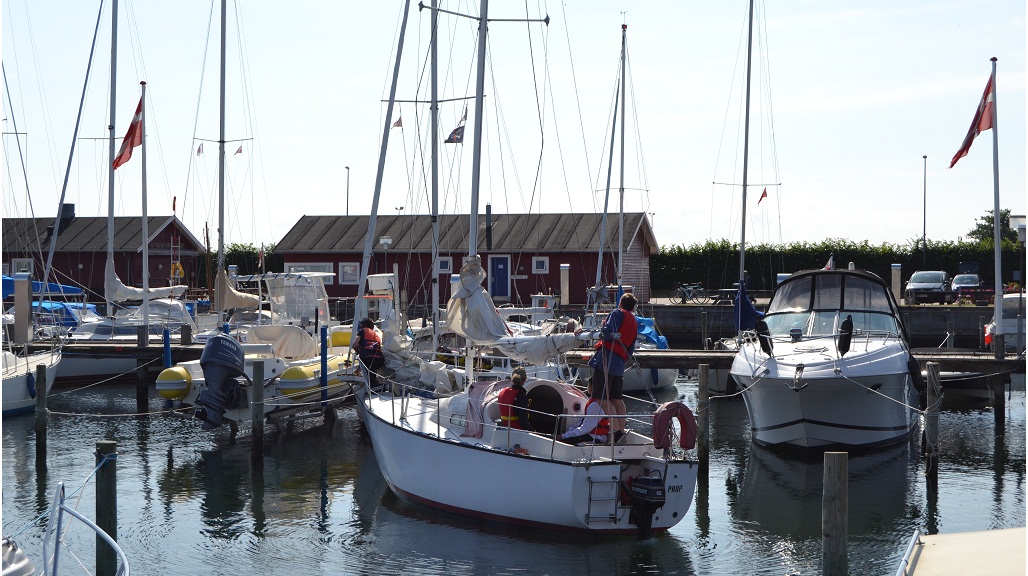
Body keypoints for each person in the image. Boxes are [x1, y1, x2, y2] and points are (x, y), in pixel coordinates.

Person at [585, 292, 637, 443]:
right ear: (633, 307)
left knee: (601, 398)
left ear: (620, 303)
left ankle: (616, 432)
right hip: (619, 365)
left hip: (606, 361)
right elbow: (631, 347)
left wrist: (601, 329)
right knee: (617, 399)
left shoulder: (616, 313)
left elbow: (607, 333)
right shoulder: (633, 320)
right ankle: (622, 429)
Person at [560, 379, 610, 445]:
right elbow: (582, 422)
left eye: (588, 385)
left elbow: (586, 428)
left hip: (595, 438)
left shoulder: (596, 405)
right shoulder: (593, 402)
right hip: (591, 435)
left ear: (591, 387)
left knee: (562, 442)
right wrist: (568, 432)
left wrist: (563, 436)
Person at [351, 318, 386, 390]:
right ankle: (376, 386)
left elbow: (354, 345)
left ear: (364, 326)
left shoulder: (362, 331)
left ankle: (372, 389)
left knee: (366, 362)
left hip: (368, 358)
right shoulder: (376, 335)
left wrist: (358, 351)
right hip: (379, 360)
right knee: (371, 374)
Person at [498, 367, 535, 431]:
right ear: (524, 380)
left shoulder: (503, 392)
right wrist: (532, 431)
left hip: (504, 428)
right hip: (516, 430)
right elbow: (523, 419)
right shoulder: (521, 396)